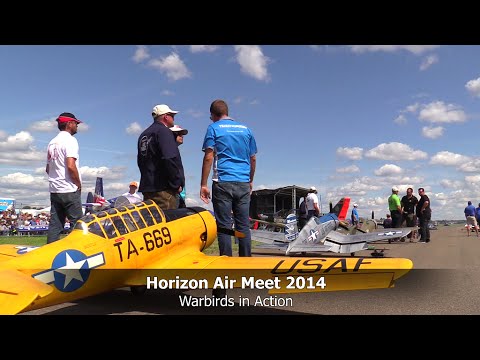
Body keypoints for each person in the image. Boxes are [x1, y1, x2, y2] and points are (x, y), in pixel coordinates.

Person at [200, 99, 257, 259]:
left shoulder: (213, 128)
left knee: (224, 226)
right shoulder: (246, 130)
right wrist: (250, 180)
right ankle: (246, 265)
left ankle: (226, 267)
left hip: (223, 181)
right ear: (227, 112)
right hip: (243, 182)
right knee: (243, 225)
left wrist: (203, 183)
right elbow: (253, 158)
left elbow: (208, 157)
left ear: (213, 115)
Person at [45, 112, 84, 244]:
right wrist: (78, 184)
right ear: (69, 124)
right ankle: (79, 253)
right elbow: (71, 166)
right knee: (78, 225)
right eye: (76, 123)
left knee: (55, 225)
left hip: (54, 189)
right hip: (68, 188)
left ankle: (49, 254)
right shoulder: (70, 140)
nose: (77, 126)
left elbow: (48, 169)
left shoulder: (52, 142)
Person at [137, 104, 185, 210]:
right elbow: (169, 158)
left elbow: (140, 161)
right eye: (172, 115)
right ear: (166, 116)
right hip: (163, 190)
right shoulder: (164, 131)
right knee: (167, 222)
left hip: (148, 188)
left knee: (151, 223)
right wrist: (176, 183)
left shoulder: (144, 134)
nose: (173, 118)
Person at [170, 125, 188, 208]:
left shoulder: (175, 150)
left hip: (179, 193)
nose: (182, 136)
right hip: (172, 192)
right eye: (179, 134)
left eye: (182, 134)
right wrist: (175, 185)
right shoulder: (169, 150)